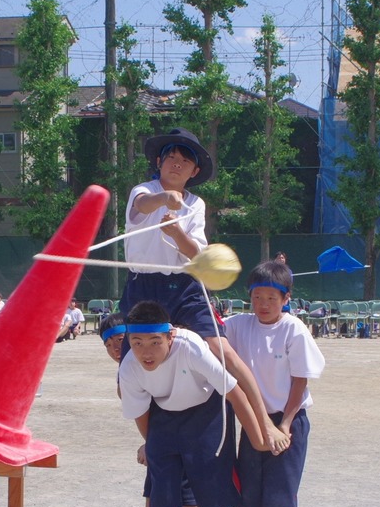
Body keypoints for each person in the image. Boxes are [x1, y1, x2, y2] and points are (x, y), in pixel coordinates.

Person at [119, 127, 289, 455]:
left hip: (184, 286)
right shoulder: (144, 189)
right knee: (132, 364)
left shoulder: (196, 204)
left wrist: (176, 231)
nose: (177, 163)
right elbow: (141, 205)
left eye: (186, 160)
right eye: (171, 156)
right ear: (158, 161)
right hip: (142, 286)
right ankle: (148, 441)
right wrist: (164, 200)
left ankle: (265, 421)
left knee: (222, 351)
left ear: (195, 171)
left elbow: (196, 256)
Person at [118, 300, 268, 507]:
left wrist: (257, 436)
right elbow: (140, 412)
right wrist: (154, 446)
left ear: (170, 336)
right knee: (160, 496)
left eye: (155, 343)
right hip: (162, 417)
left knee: (211, 497)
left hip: (207, 414)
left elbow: (233, 391)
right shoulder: (129, 366)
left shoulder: (192, 347)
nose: (146, 352)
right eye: (137, 343)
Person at [223, 261, 325, 507]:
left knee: (277, 504)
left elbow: (300, 380)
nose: (263, 304)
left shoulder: (293, 329)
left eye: (271, 297)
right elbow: (209, 330)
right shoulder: (239, 326)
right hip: (253, 420)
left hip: (287, 421)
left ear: (286, 298)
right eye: (256, 296)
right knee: (250, 502)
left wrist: (284, 425)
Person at [99, 312, 207, 507]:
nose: (116, 347)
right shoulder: (130, 366)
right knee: (155, 498)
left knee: (186, 499)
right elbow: (141, 410)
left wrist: (154, 443)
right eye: (109, 343)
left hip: (182, 433)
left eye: (121, 340)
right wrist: (151, 442)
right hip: (160, 438)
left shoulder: (158, 355)